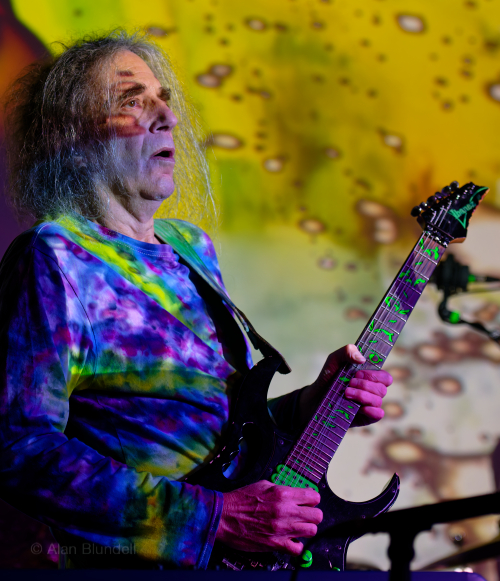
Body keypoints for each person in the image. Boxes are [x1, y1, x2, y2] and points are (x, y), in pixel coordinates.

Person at [0, 31, 393, 569]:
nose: (168, 117)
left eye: (164, 99)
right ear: (72, 136)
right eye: (132, 101)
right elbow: (19, 447)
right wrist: (213, 518)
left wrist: (312, 403)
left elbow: (217, 434)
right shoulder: (57, 256)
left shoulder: (191, 248)